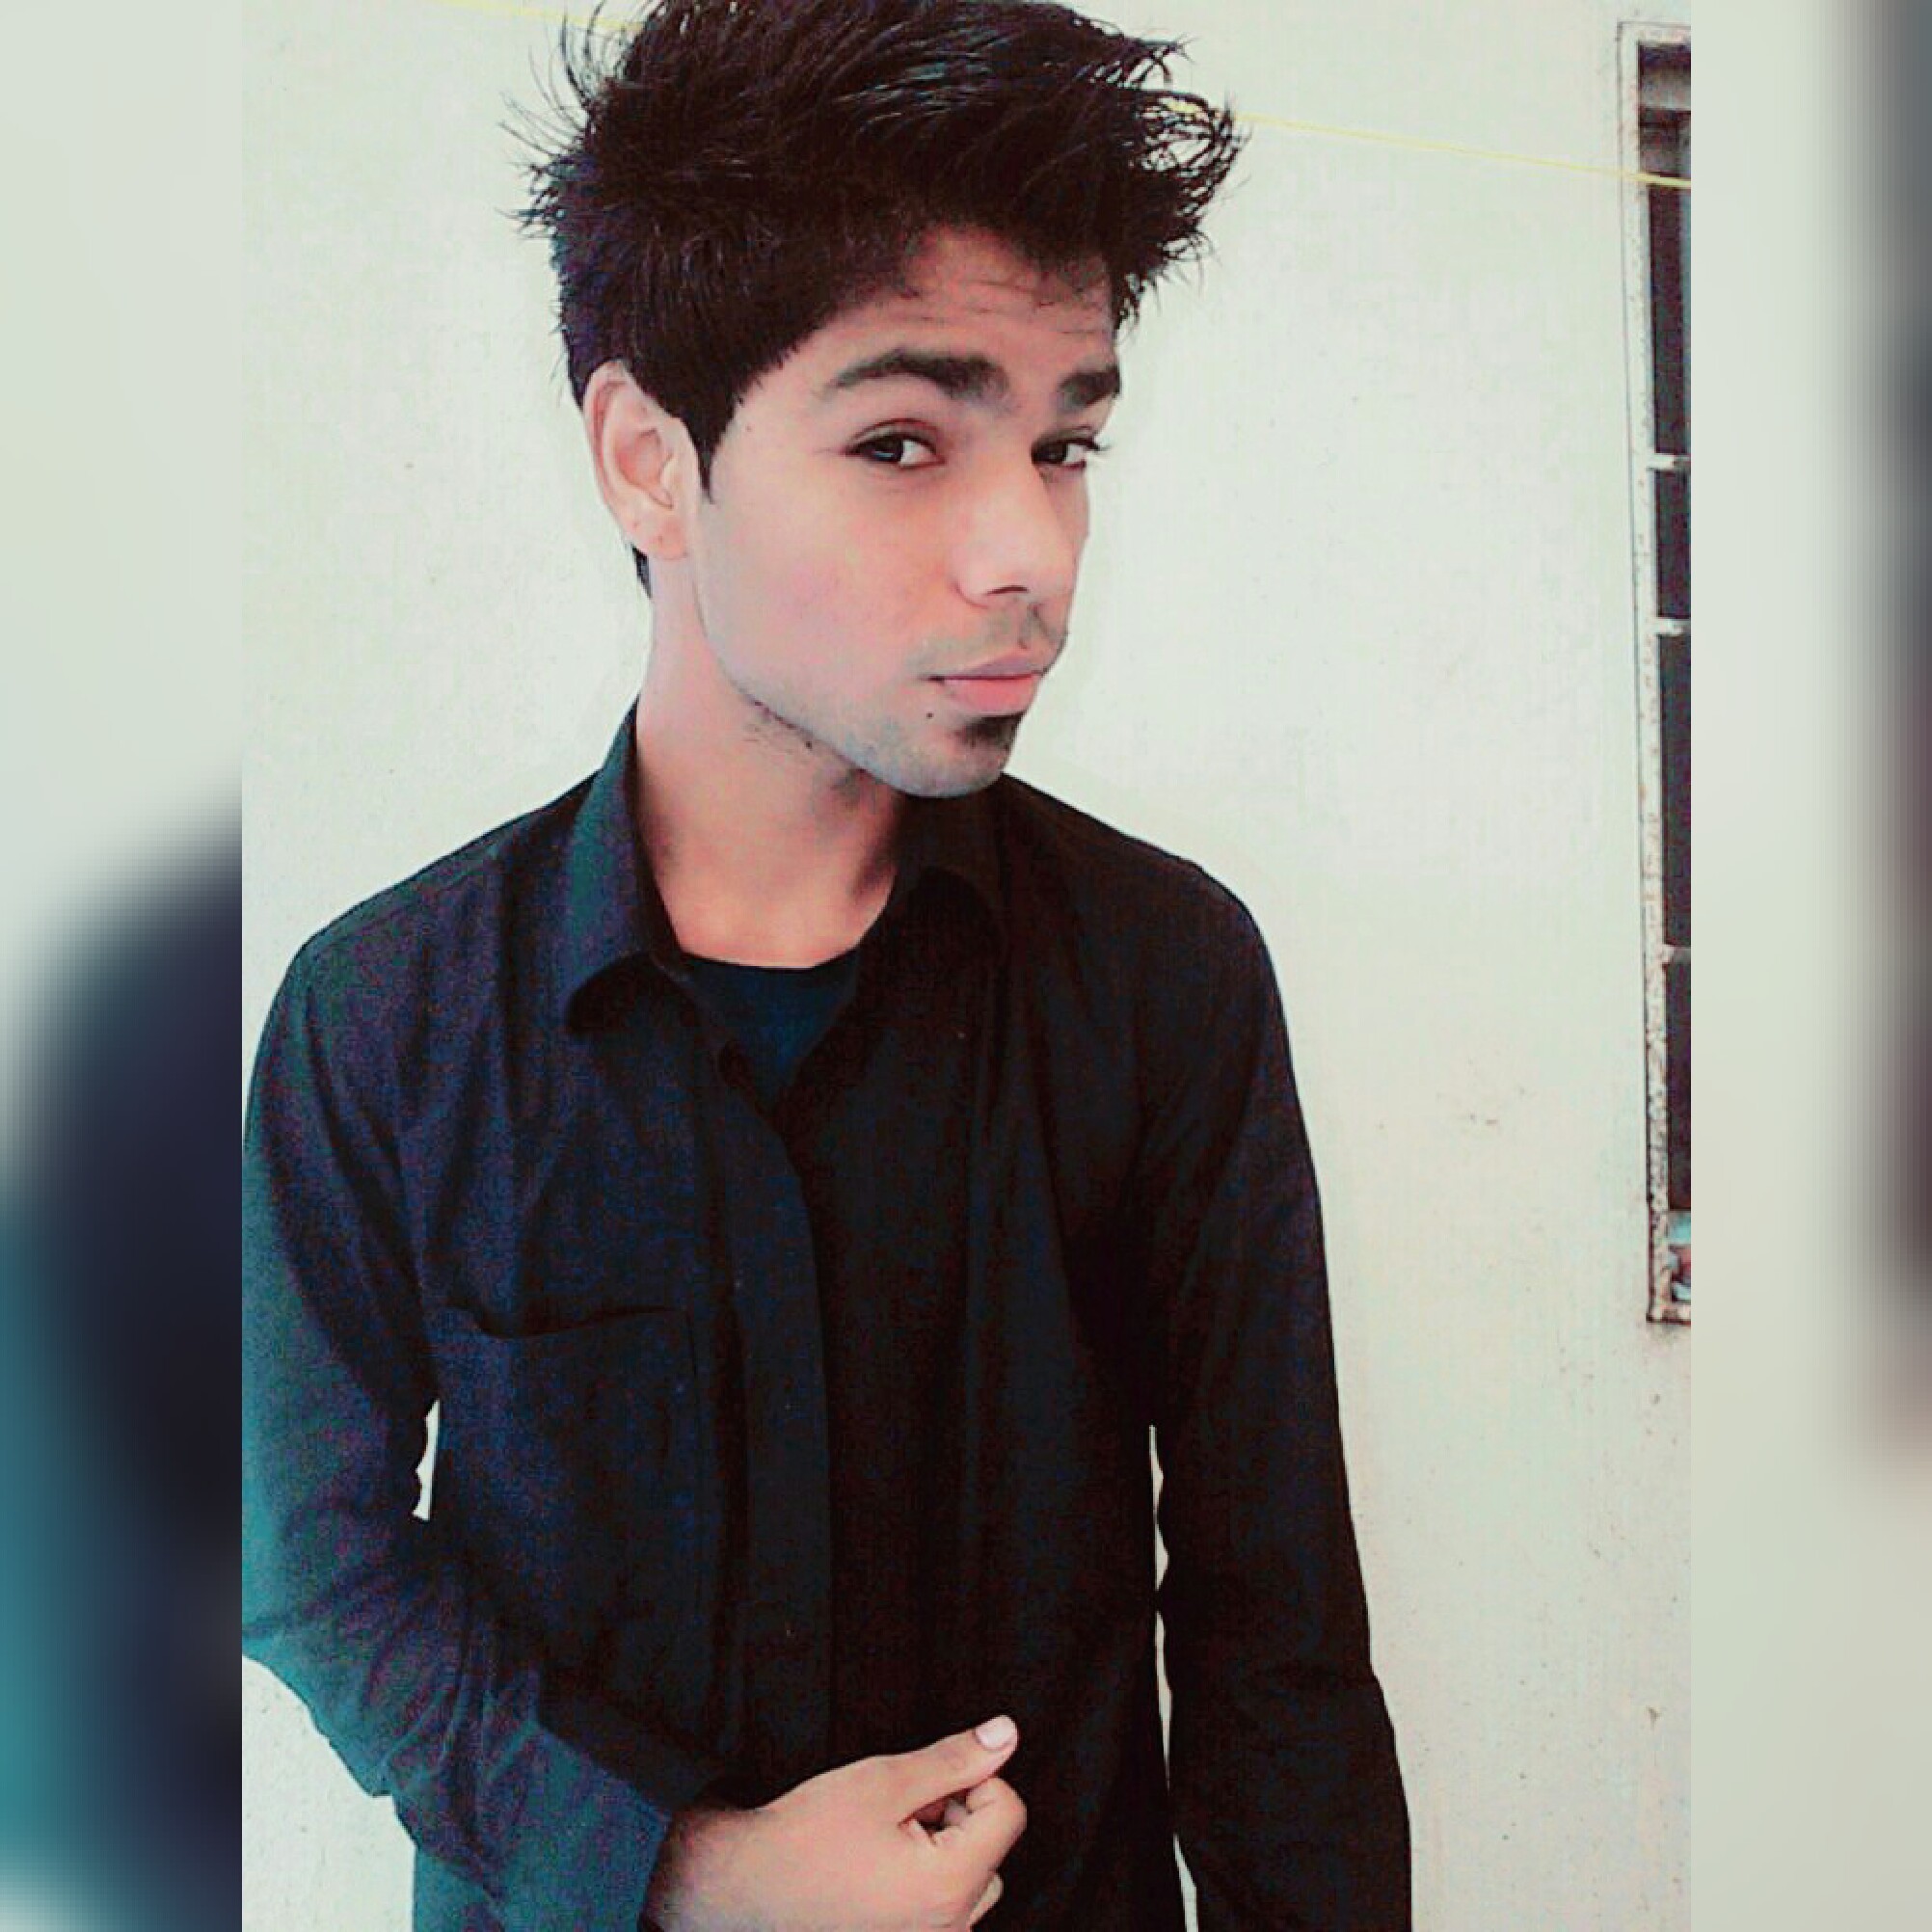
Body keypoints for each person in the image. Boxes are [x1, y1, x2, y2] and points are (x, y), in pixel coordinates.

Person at [241, 2, 1410, 1927]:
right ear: (649, 461)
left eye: (1066, 442)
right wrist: (676, 1872)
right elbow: (309, 1560)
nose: (1029, 551)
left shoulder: (1166, 979)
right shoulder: (385, 1017)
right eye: (900, 442)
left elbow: (1278, 1649)